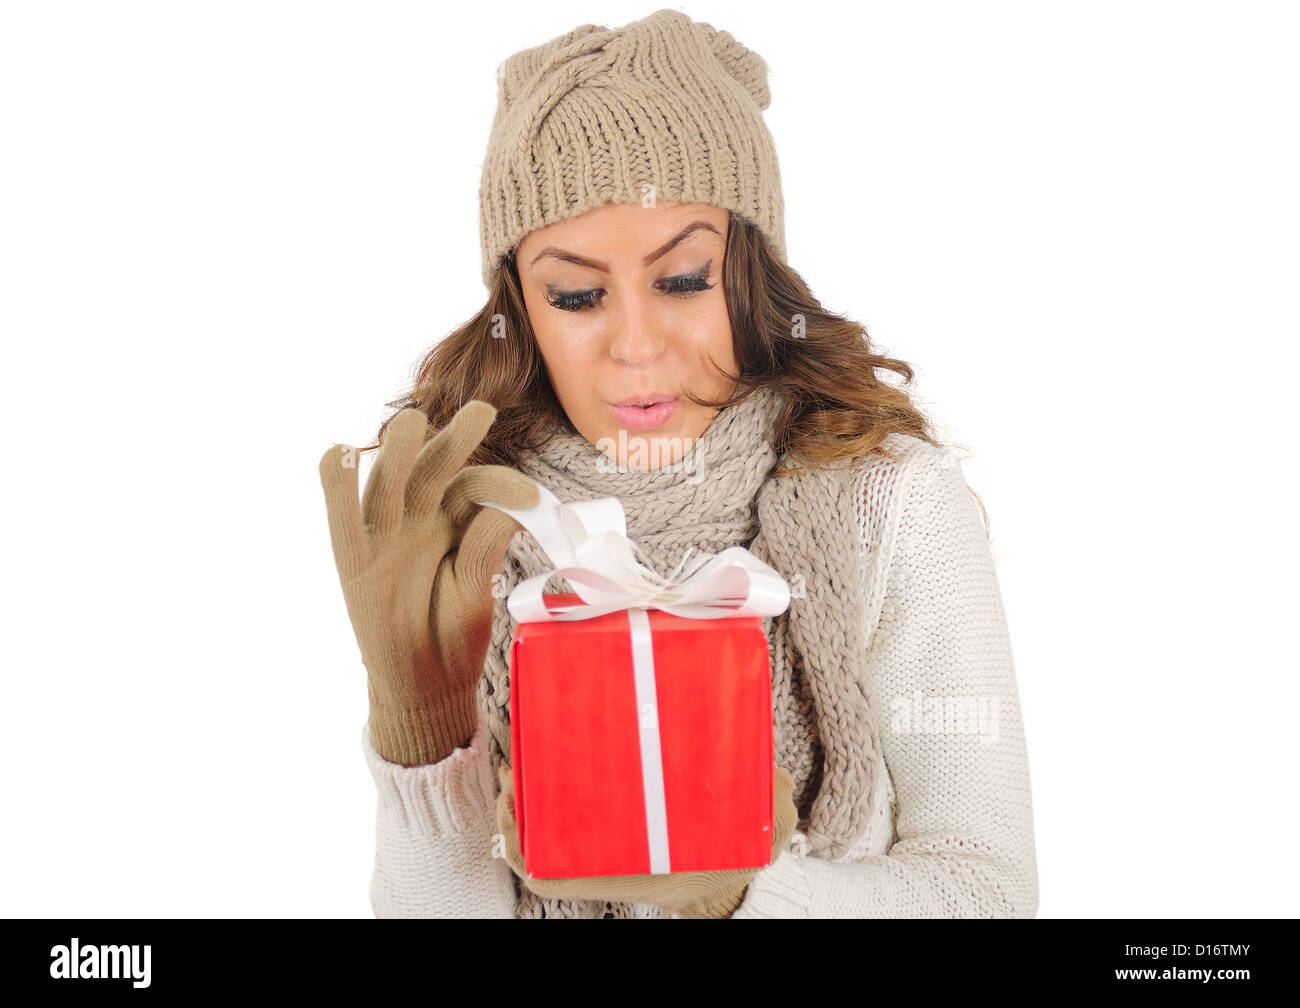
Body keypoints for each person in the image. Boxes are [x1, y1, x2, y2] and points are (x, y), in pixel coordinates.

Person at [318, 8, 1039, 918]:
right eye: (576, 294)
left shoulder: (887, 498)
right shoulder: (470, 525)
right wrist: (418, 722)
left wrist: (742, 896)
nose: (636, 344)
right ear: (522, 308)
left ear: (750, 272)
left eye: (685, 279)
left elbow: (988, 890)